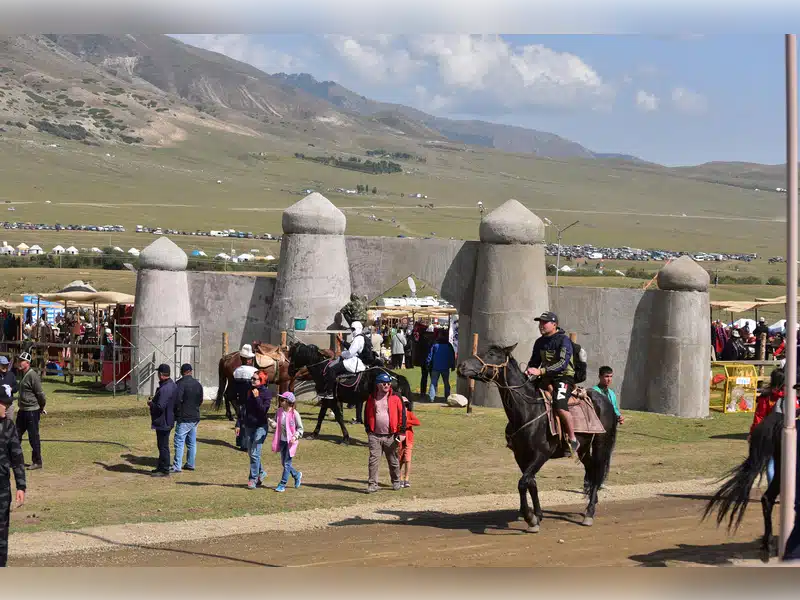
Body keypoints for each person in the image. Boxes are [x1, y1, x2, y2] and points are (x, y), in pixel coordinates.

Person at [525, 312, 579, 458]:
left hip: (563, 378)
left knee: (560, 404)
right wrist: (528, 371)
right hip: (546, 376)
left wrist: (540, 371)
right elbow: (534, 362)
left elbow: (562, 363)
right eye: (540, 322)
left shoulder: (563, 340)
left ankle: (573, 440)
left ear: (554, 324)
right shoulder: (539, 342)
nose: (541, 325)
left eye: (545, 322)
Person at [364, 372, 406, 493]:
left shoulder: (396, 397)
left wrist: (402, 432)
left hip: (391, 436)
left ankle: (396, 481)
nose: (387, 385)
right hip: (375, 435)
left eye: (388, 383)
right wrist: (369, 430)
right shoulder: (371, 398)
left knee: (393, 461)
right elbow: (366, 414)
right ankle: (372, 484)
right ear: (378, 385)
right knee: (373, 461)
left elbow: (402, 415)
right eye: (384, 383)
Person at [0, 384, 26, 568]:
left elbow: (17, 458)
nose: (8, 407)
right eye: (4, 404)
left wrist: (21, 486)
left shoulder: (8, 427)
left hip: (1, 489)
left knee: (1, 531)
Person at [237, 370, 271, 489]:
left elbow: (263, 411)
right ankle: (261, 472)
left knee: (255, 453)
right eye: (252, 378)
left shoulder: (266, 394)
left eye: (255, 379)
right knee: (251, 453)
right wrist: (238, 423)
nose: (252, 380)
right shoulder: (249, 391)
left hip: (261, 427)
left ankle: (253, 479)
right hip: (249, 425)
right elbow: (244, 409)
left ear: (261, 381)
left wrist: (257, 398)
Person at [750, 368, 785, 486]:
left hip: (769, 432)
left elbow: (759, 417)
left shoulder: (765, 396)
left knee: (771, 464)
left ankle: (772, 489)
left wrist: (753, 433)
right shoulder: (789, 396)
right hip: (784, 432)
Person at [15, 352, 46, 470]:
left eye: (21, 361)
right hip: (22, 410)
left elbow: (40, 394)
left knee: (33, 437)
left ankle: (37, 461)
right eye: (19, 360)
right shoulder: (22, 375)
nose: (19, 363)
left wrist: (41, 407)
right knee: (16, 436)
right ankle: (16, 460)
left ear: (27, 363)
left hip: (32, 411)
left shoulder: (33, 376)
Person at [172, 363, 204, 473]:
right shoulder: (198, 384)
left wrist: (177, 412)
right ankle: (190, 463)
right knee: (191, 442)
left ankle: (177, 466)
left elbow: (177, 401)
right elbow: (200, 400)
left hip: (184, 417)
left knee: (179, 441)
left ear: (182, 372)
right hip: (195, 416)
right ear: (190, 371)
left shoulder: (179, 384)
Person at [324, 321, 368, 399]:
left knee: (332, 369)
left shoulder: (358, 338)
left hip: (353, 362)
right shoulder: (359, 337)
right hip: (353, 360)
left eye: (353, 329)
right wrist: (342, 341)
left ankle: (330, 392)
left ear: (358, 329)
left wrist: (341, 353)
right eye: (351, 329)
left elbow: (350, 352)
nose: (352, 331)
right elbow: (352, 348)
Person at [148, 363, 177, 477]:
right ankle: (161, 466)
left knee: (163, 446)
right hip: (168, 419)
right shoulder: (172, 385)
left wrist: (151, 404)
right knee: (162, 445)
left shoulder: (166, 388)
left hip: (163, 420)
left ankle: (164, 469)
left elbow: (160, 406)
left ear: (161, 374)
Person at [271, 391, 303, 492]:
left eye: (282, 400)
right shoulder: (279, 411)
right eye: (280, 400)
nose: (280, 402)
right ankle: (296, 475)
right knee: (284, 463)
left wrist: (295, 436)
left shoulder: (295, 414)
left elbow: (300, 429)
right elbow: (276, 424)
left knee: (287, 463)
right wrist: (272, 423)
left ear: (288, 402)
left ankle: (282, 484)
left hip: (291, 442)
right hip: (282, 440)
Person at [232, 344, 258, 449]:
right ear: (250, 359)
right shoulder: (254, 371)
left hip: (240, 399)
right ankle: (247, 443)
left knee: (240, 419)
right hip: (251, 399)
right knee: (249, 423)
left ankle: (241, 442)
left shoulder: (236, 371)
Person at [426, 330, 456, 402]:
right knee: (446, 382)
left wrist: (427, 363)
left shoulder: (435, 344)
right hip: (445, 367)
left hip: (435, 367)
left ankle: (431, 398)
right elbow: (452, 356)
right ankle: (447, 397)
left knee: (433, 382)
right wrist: (452, 365)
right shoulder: (449, 345)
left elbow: (430, 356)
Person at [397, 396, 420, 488]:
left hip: (409, 440)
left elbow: (417, 422)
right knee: (399, 460)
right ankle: (399, 478)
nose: (405, 407)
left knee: (407, 459)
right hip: (399, 440)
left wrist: (406, 422)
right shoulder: (396, 415)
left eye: (406, 405)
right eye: (403, 405)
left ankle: (406, 478)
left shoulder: (409, 414)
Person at [0, 357, 18, 422]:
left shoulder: (11, 375)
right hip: (0, 405)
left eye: (6, 365)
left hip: (9, 405)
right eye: (3, 365)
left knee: (9, 425)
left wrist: (11, 389)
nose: (5, 366)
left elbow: (16, 387)